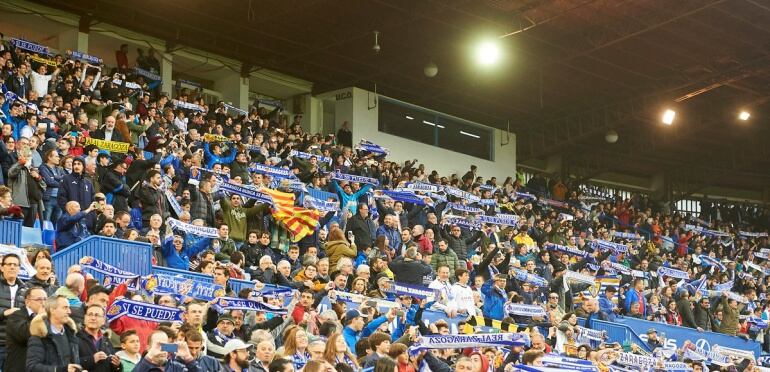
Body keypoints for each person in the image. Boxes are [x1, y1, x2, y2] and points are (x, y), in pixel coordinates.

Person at [26, 295, 82, 372]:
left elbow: (74, 363)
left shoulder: (72, 334)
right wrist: (59, 370)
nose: (69, 312)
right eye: (65, 308)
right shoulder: (39, 337)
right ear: (52, 310)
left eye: (69, 308)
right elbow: (32, 367)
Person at [5, 286, 47, 372]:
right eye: (39, 299)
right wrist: (40, 317)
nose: (43, 303)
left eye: (45, 299)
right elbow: (26, 335)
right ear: (27, 302)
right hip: (19, 367)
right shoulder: (16, 316)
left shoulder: (47, 317)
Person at [77, 304, 121, 372]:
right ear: (85, 318)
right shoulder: (75, 338)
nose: (93, 318)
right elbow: (69, 363)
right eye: (90, 314)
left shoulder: (107, 341)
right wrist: (92, 359)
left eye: (97, 315)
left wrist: (117, 365)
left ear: (103, 320)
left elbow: (112, 368)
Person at [132, 329, 199, 372]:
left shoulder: (177, 367)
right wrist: (149, 356)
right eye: (158, 345)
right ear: (148, 348)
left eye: (165, 345)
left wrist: (188, 357)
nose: (162, 349)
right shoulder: (142, 367)